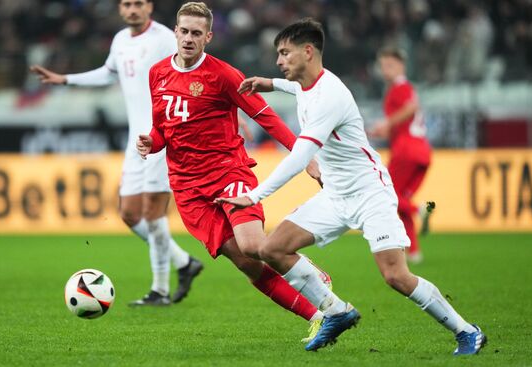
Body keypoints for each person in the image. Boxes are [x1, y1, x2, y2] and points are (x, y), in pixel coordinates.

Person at [218, 18, 486, 355]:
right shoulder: (305, 83)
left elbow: (301, 157)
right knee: (273, 249)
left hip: (369, 192)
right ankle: (336, 311)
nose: (279, 61)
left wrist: (255, 196)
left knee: (396, 277)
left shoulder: (330, 96)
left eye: (285, 53)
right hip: (335, 195)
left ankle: (466, 331)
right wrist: (267, 83)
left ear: (308, 52)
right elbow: (293, 87)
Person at [136, 2, 330, 341]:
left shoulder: (223, 74)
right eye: (184, 31)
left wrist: (305, 155)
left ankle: (304, 267)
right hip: (188, 189)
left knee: (253, 244)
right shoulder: (157, 74)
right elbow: (162, 130)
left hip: (228, 172)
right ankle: (316, 316)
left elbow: (264, 116)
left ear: (208, 37)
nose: (188, 39)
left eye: (197, 33)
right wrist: (149, 143)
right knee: (245, 262)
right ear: (176, 31)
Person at [30, 0, 203, 306]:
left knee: (152, 214)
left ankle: (160, 291)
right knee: (129, 213)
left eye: (138, 3)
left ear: (149, 6)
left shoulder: (165, 38)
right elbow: (108, 73)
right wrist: (66, 79)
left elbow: (196, 70)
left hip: (162, 136)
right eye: (126, 4)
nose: (132, 9)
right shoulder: (120, 40)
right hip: (134, 139)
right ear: (121, 9)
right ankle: (184, 263)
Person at [369, 46, 433, 263]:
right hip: (422, 151)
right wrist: (381, 129)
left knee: (387, 193)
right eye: (383, 66)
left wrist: (387, 122)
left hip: (406, 150)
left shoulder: (400, 87)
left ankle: (420, 209)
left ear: (401, 66)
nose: (385, 70)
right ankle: (414, 252)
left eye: (390, 65)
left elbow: (411, 108)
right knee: (400, 199)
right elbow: (403, 118)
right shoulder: (404, 87)